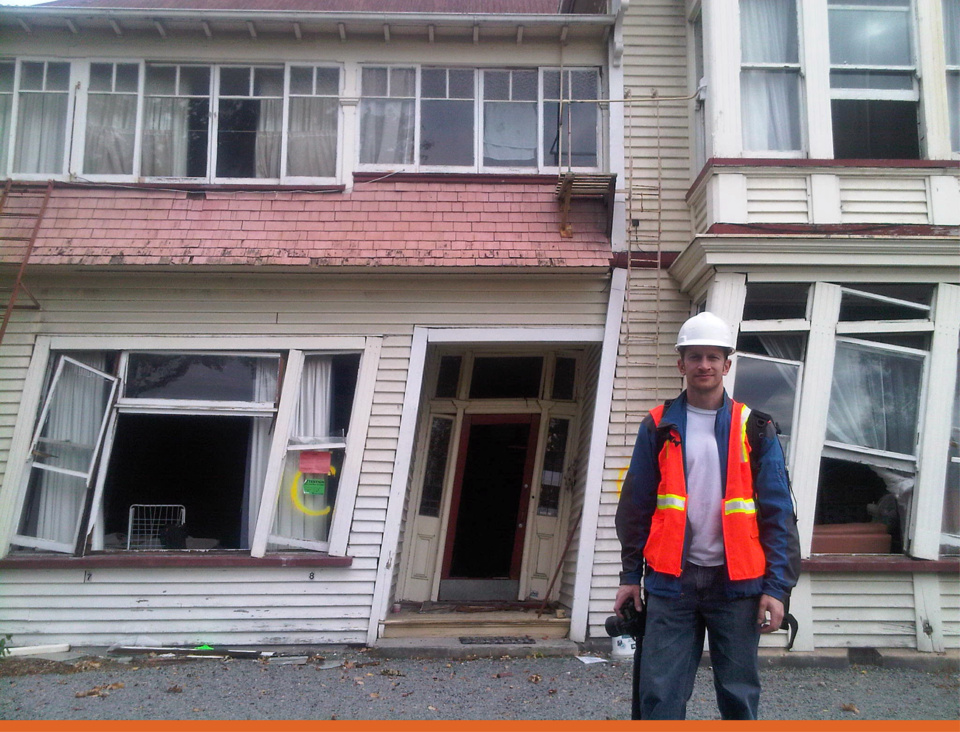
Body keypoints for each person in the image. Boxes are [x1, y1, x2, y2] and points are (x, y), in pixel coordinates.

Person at [614, 311, 800, 720]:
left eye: (713, 357)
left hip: (738, 585)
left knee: (738, 697)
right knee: (659, 697)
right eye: (695, 356)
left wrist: (777, 588)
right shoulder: (658, 425)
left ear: (727, 365)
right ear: (681, 364)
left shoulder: (756, 428)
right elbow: (636, 507)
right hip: (670, 582)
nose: (704, 365)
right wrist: (630, 577)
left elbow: (778, 514)